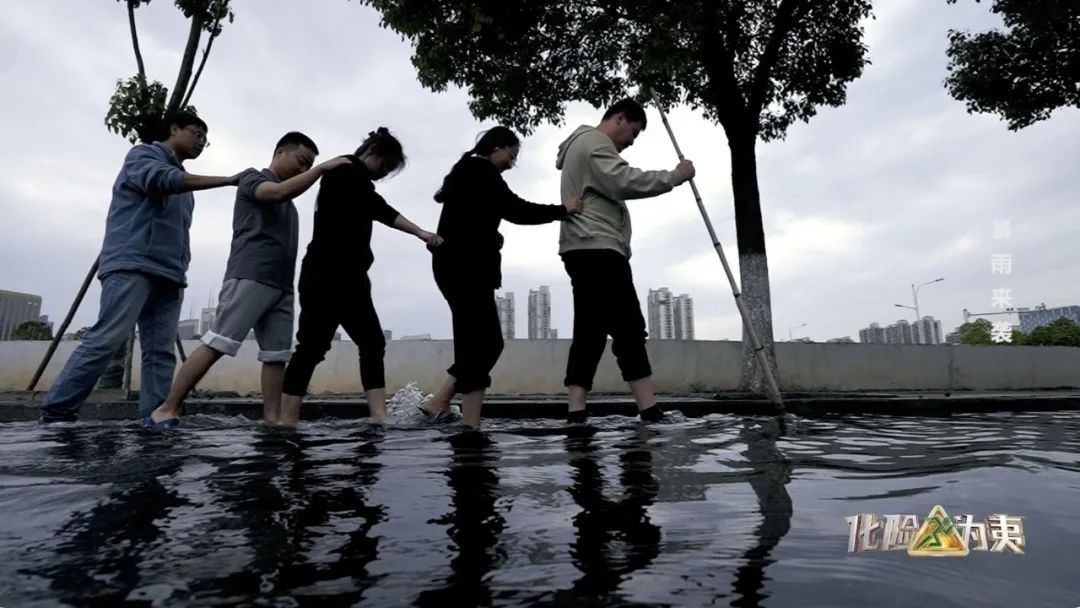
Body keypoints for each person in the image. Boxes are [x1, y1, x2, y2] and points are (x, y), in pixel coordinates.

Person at [40, 111, 243, 423]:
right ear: (174, 128)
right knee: (107, 338)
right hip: (132, 264)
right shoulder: (143, 155)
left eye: (205, 138)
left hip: (170, 274)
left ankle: (156, 417)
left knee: (160, 353)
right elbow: (160, 180)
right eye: (196, 133)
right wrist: (227, 180)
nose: (201, 142)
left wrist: (181, 268)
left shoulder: (186, 190)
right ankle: (57, 413)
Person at [146, 132, 351, 429]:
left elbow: (286, 195)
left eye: (309, 166)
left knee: (276, 355)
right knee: (218, 342)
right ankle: (166, 408)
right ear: (280, 152)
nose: (304, 169)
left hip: (281, 286)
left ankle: (272, 418)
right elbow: (275, 193)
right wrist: (321, 170)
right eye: (302, 161)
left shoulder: (291, 205)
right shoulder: (253, 178)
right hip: (250, 276)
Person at [420, 127, 583, 428]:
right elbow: (517, 210)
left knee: (482, 344)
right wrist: (564, 210)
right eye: (512, 154)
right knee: (482, 344)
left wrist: (490, 236)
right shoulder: (481, 170)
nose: (512, 162)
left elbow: (471, 218)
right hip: (464, 269)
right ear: (497, 147)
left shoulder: (467, 171)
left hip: (458, 267)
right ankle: (468, 424)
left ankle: (441, 403)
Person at [278, 128, 442, 425]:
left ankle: (374, 415)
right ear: (373, 152)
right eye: (385, 167)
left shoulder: (350, 174)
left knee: (361, 343)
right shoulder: (346, 170)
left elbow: (375, 207)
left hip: (345, 275)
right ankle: (290, 418)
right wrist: (421, 232)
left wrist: (420, 233)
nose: (382, 175)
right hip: (330, 274)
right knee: (318, 347)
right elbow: (380, 209)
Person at [555, 98, 695, 425]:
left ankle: (576, 413)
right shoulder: (593, 143)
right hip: (598, 248)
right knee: (629, 327)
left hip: (581, 248)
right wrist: (676, 176)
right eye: (632, 132)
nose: (631, 142)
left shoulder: (581, 146)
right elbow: (625, 181)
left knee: (590, 330)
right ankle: (649, 410)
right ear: (619, 119)